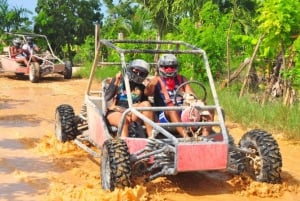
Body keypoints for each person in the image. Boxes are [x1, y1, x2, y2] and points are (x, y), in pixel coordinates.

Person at [145, 54, 214, 137]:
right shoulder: (156, 80)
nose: (169, 70)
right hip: (165, 116)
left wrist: (191, 98)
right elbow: (147, 93)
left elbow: (191, 94)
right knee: (172, 109)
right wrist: (151, 85)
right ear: (161, 67)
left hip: (183, 111)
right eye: (166, 67)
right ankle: (186, 137)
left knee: (209, 108)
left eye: (172, 67)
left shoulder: (181, 79)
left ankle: (205, 136)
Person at [105, 59, 154, 138]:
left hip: (131, 113)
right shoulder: (119, 80)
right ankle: (125, 145)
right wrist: (116, 81)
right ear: (131, 69)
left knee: (146, 104)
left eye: (142, 73)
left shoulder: (141, 88)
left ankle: (151, 139)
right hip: (115, 111)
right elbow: (107, 97)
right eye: (136, 71)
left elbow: (145, 106)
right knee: (123, 120)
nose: (138, 74)